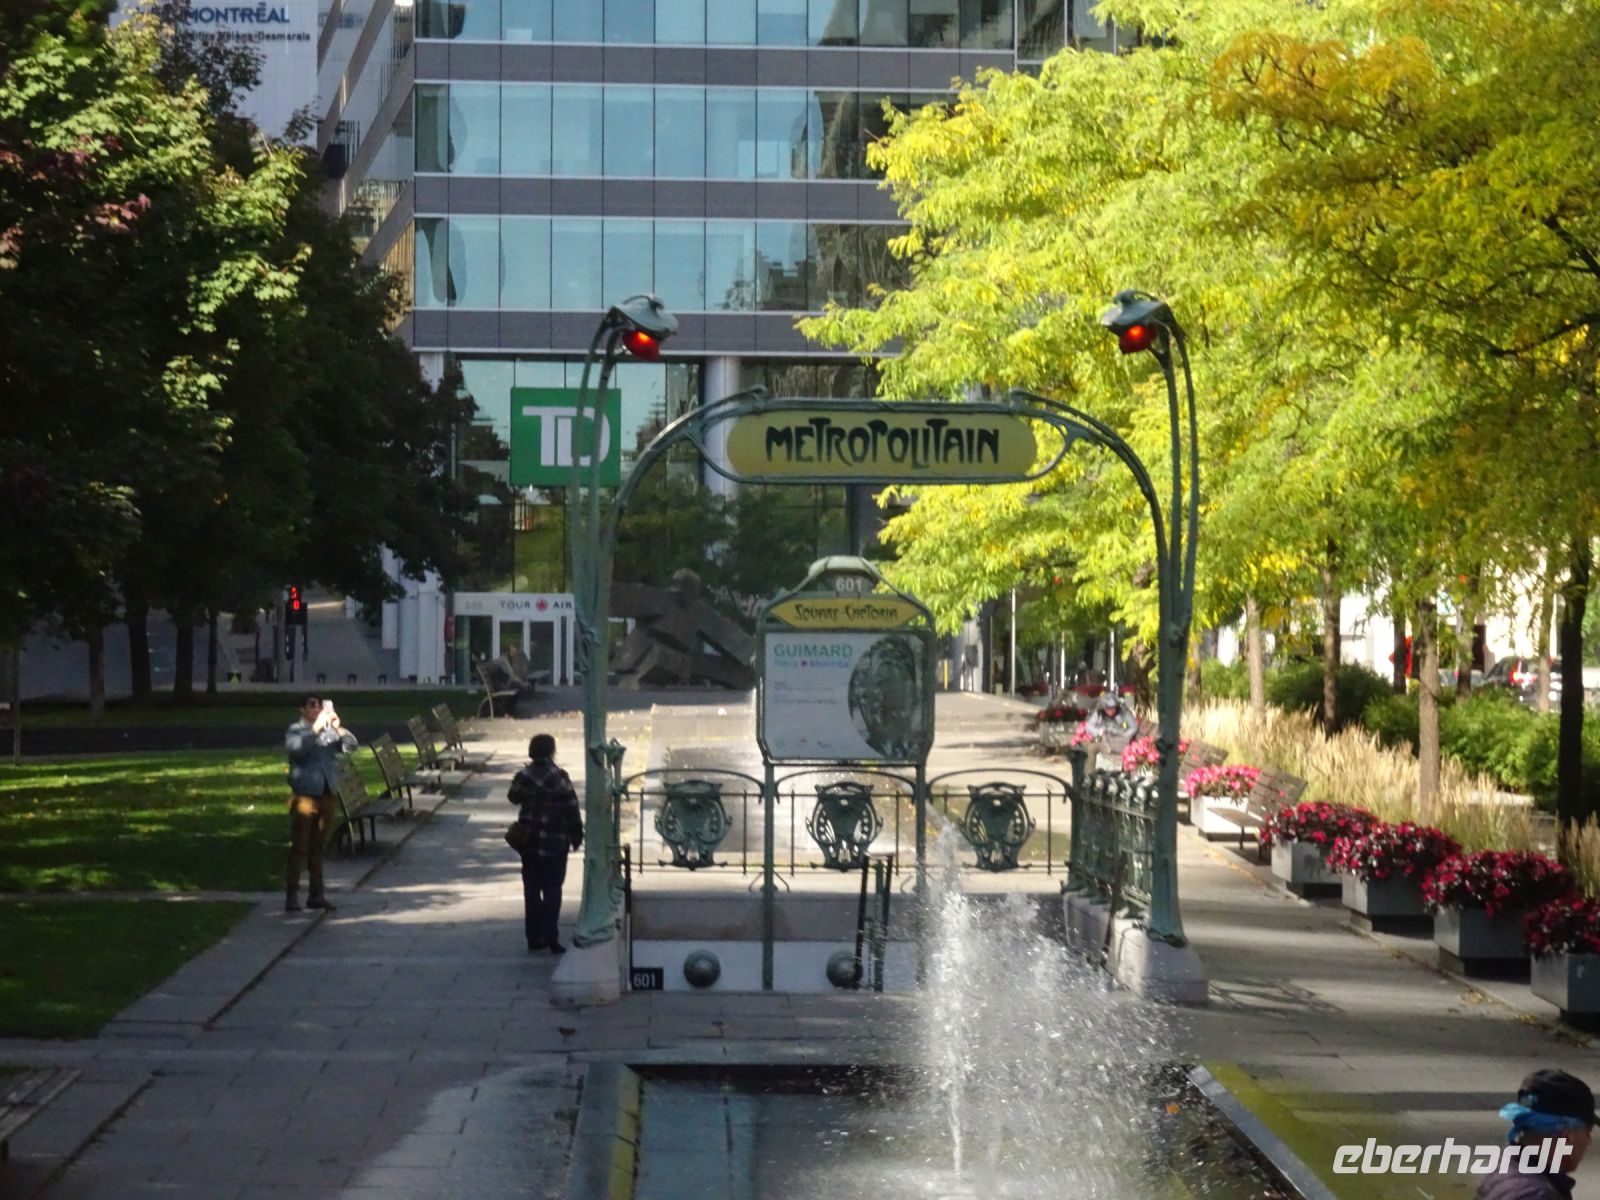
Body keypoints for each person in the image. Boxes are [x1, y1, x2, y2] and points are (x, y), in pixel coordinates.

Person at [508, 733, 584, 953]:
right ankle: (551, 934)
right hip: (555, 841)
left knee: (531, 889)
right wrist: (576, 833)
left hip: (529, 841)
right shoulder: (559, 777)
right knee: (553, 889)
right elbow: (571, 806)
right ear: (552, 752)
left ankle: (534, 936)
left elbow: (513, 797)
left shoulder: (524, 775)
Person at [284, 693, 356, 913]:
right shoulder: (296, 730)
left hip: (327, 794)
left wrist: (338, 728)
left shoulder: (327, 732)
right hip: (305, 796)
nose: (316, 709)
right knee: (300, 846)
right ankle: (292, 894)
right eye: (312, 705)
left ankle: (316, 894)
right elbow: (296, 749)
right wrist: (315, 730)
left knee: (318, 846)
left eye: (319, 706)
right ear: (302, 709)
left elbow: (351, 746)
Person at [1476, 1069, 1595, 1199]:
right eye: (1588, 1131)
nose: (1589, 1140)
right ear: (1567, 1137)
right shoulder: (1538, 1194)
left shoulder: (1503, 1168)